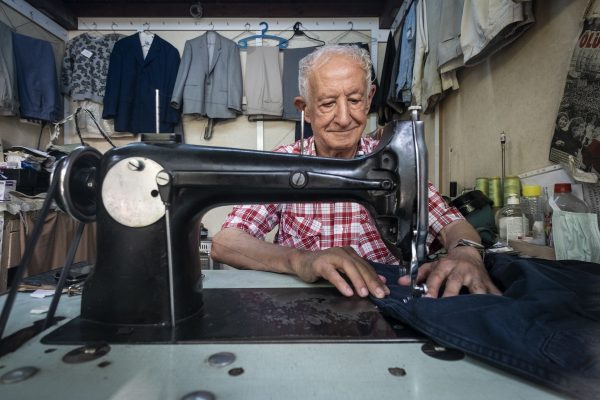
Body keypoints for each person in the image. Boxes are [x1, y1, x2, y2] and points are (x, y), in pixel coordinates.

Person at [211, 45, 500, 299]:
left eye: (354, 100)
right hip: (305, 305)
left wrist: (466, 253)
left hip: (387, 298)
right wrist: (302, 260)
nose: (344, 118)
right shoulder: (286, 164)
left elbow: (452, 224)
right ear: (305, 109)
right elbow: (226, 243)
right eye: (327, 104)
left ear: (370, 97)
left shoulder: (396, 162)